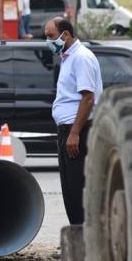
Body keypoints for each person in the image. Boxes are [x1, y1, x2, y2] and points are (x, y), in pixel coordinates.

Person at [45, 17, 102, 225]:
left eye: (51, 36)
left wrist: (75, 133)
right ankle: (77, 235)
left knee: (78, 188)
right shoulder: (67, 57)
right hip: (66, 130)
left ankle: (85, 236)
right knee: (69, 189)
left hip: (77, 130)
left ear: (65, 34)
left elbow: (88, 98)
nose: (48, 41)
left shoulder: (81, 57)